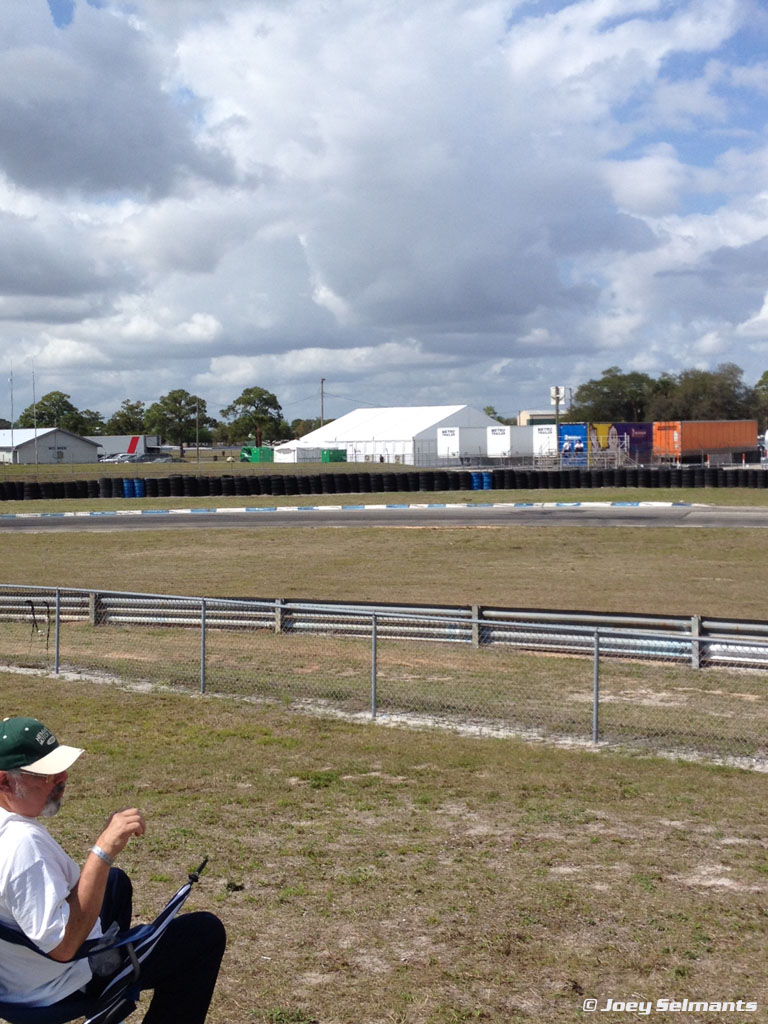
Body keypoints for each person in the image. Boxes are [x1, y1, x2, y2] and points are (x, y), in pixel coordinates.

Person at [0, 716, 226, 1022]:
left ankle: (109, 976)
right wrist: (103, 850)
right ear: (5, 781)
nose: (63, 778)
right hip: (54, 985)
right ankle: (105, 983)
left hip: (15, 973)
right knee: (204, 934)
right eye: (48, 774)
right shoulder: (21, 844)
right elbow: (64, 947)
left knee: (115, 883)